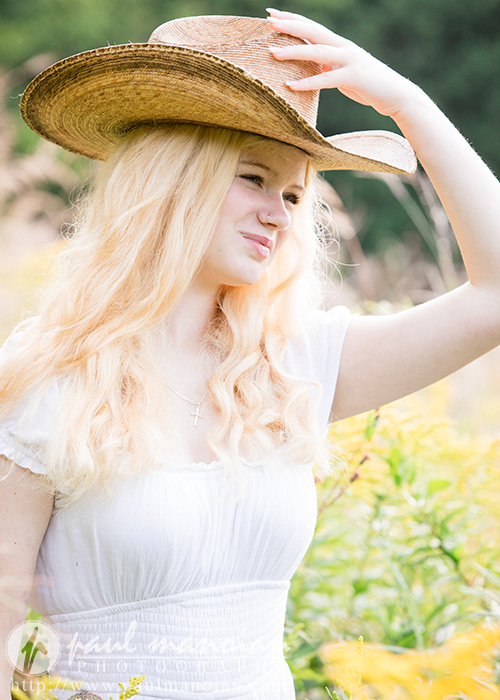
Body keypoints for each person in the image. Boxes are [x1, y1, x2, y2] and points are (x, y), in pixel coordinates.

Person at [1, 8, 499, 700]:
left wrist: (405, 103)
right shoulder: (47, 376)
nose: (281, 213)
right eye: (254, 178)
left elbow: (495, 294)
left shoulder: (293, 365)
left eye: (295, 193)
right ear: (174, 177)